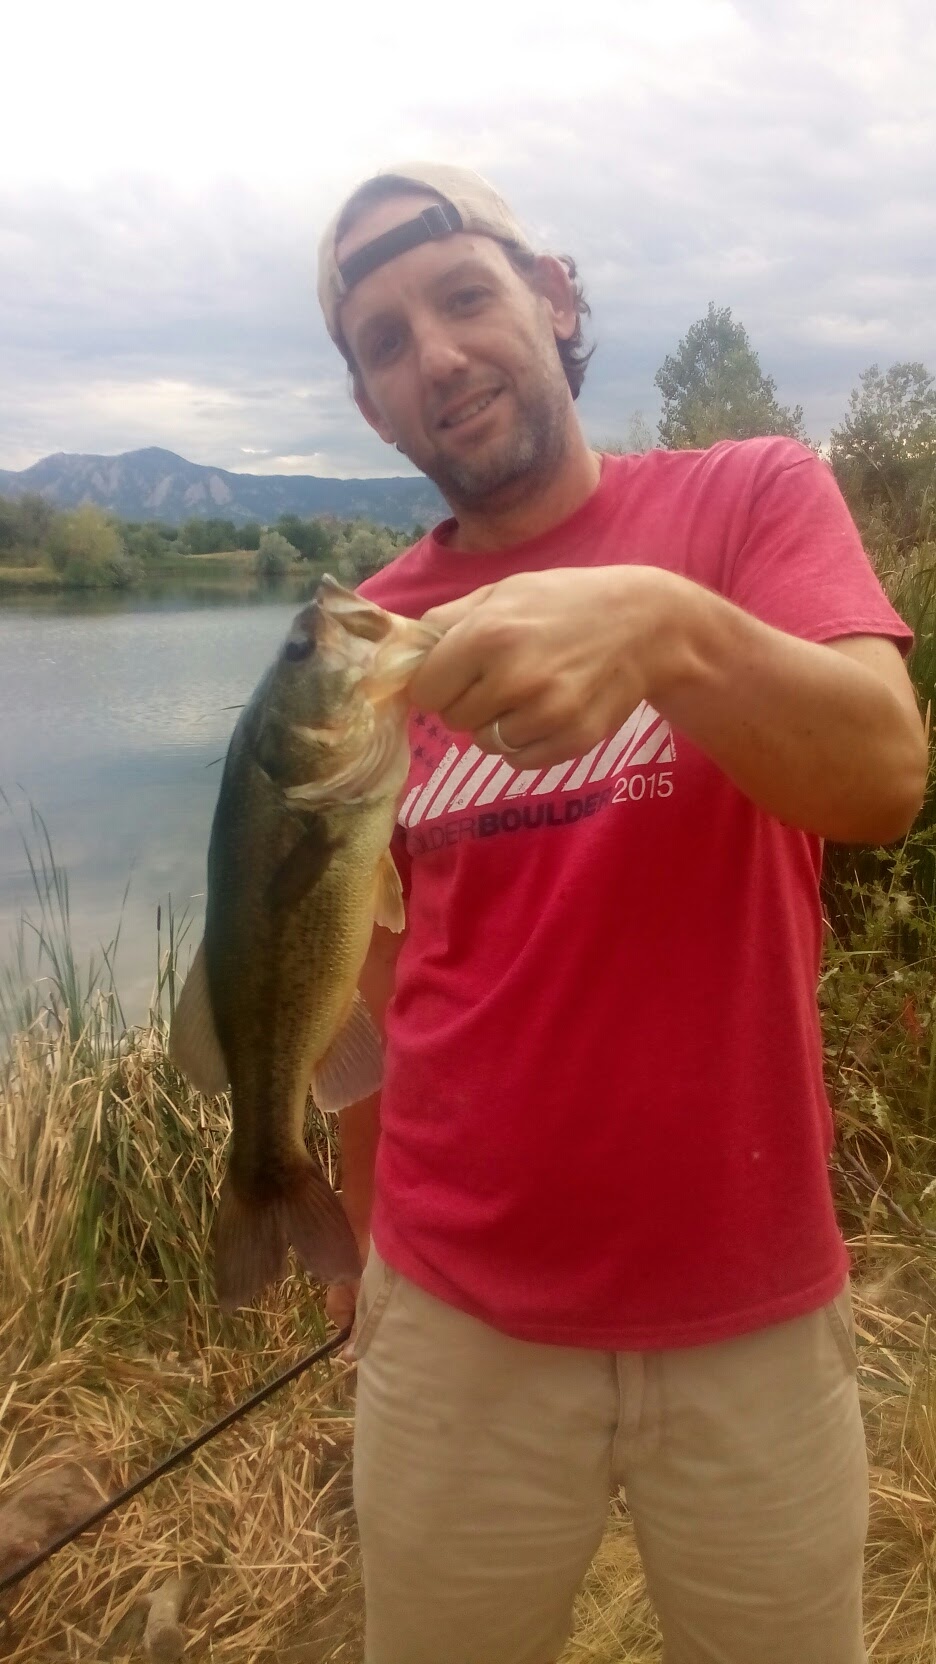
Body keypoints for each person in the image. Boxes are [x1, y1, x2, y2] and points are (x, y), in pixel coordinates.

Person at [314, 163, 928, 1664]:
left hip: (751, 1304)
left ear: (557, 299)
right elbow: (363, 991)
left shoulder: (751, 499)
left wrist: (660, 625)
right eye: (384, 342)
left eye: (465, 295)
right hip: (451, 1319)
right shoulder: (366, 644)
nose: (437, 354)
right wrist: (349, 1252)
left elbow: (884, 774)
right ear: (373, 411)